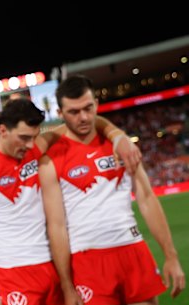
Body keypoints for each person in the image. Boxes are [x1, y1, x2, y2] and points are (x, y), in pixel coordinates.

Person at [0, 98, 143, 305]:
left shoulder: (34, 149)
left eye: (34, 137)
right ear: (3, 131)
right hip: (13, 273)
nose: (30, 144)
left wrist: (117, 135)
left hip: (55, 267)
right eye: (23, 138)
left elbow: (89, 122)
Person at [38, 74, 185, 305]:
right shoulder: (51, 160)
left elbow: (147, 199)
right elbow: (56, 226)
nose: (84, 118)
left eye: (88, 108)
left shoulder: (123, 147)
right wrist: (67, 285)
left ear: (96, 104)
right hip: (88, 260)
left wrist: (171, 256)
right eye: (73, 112)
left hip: (132, 250)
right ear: (60, 114)